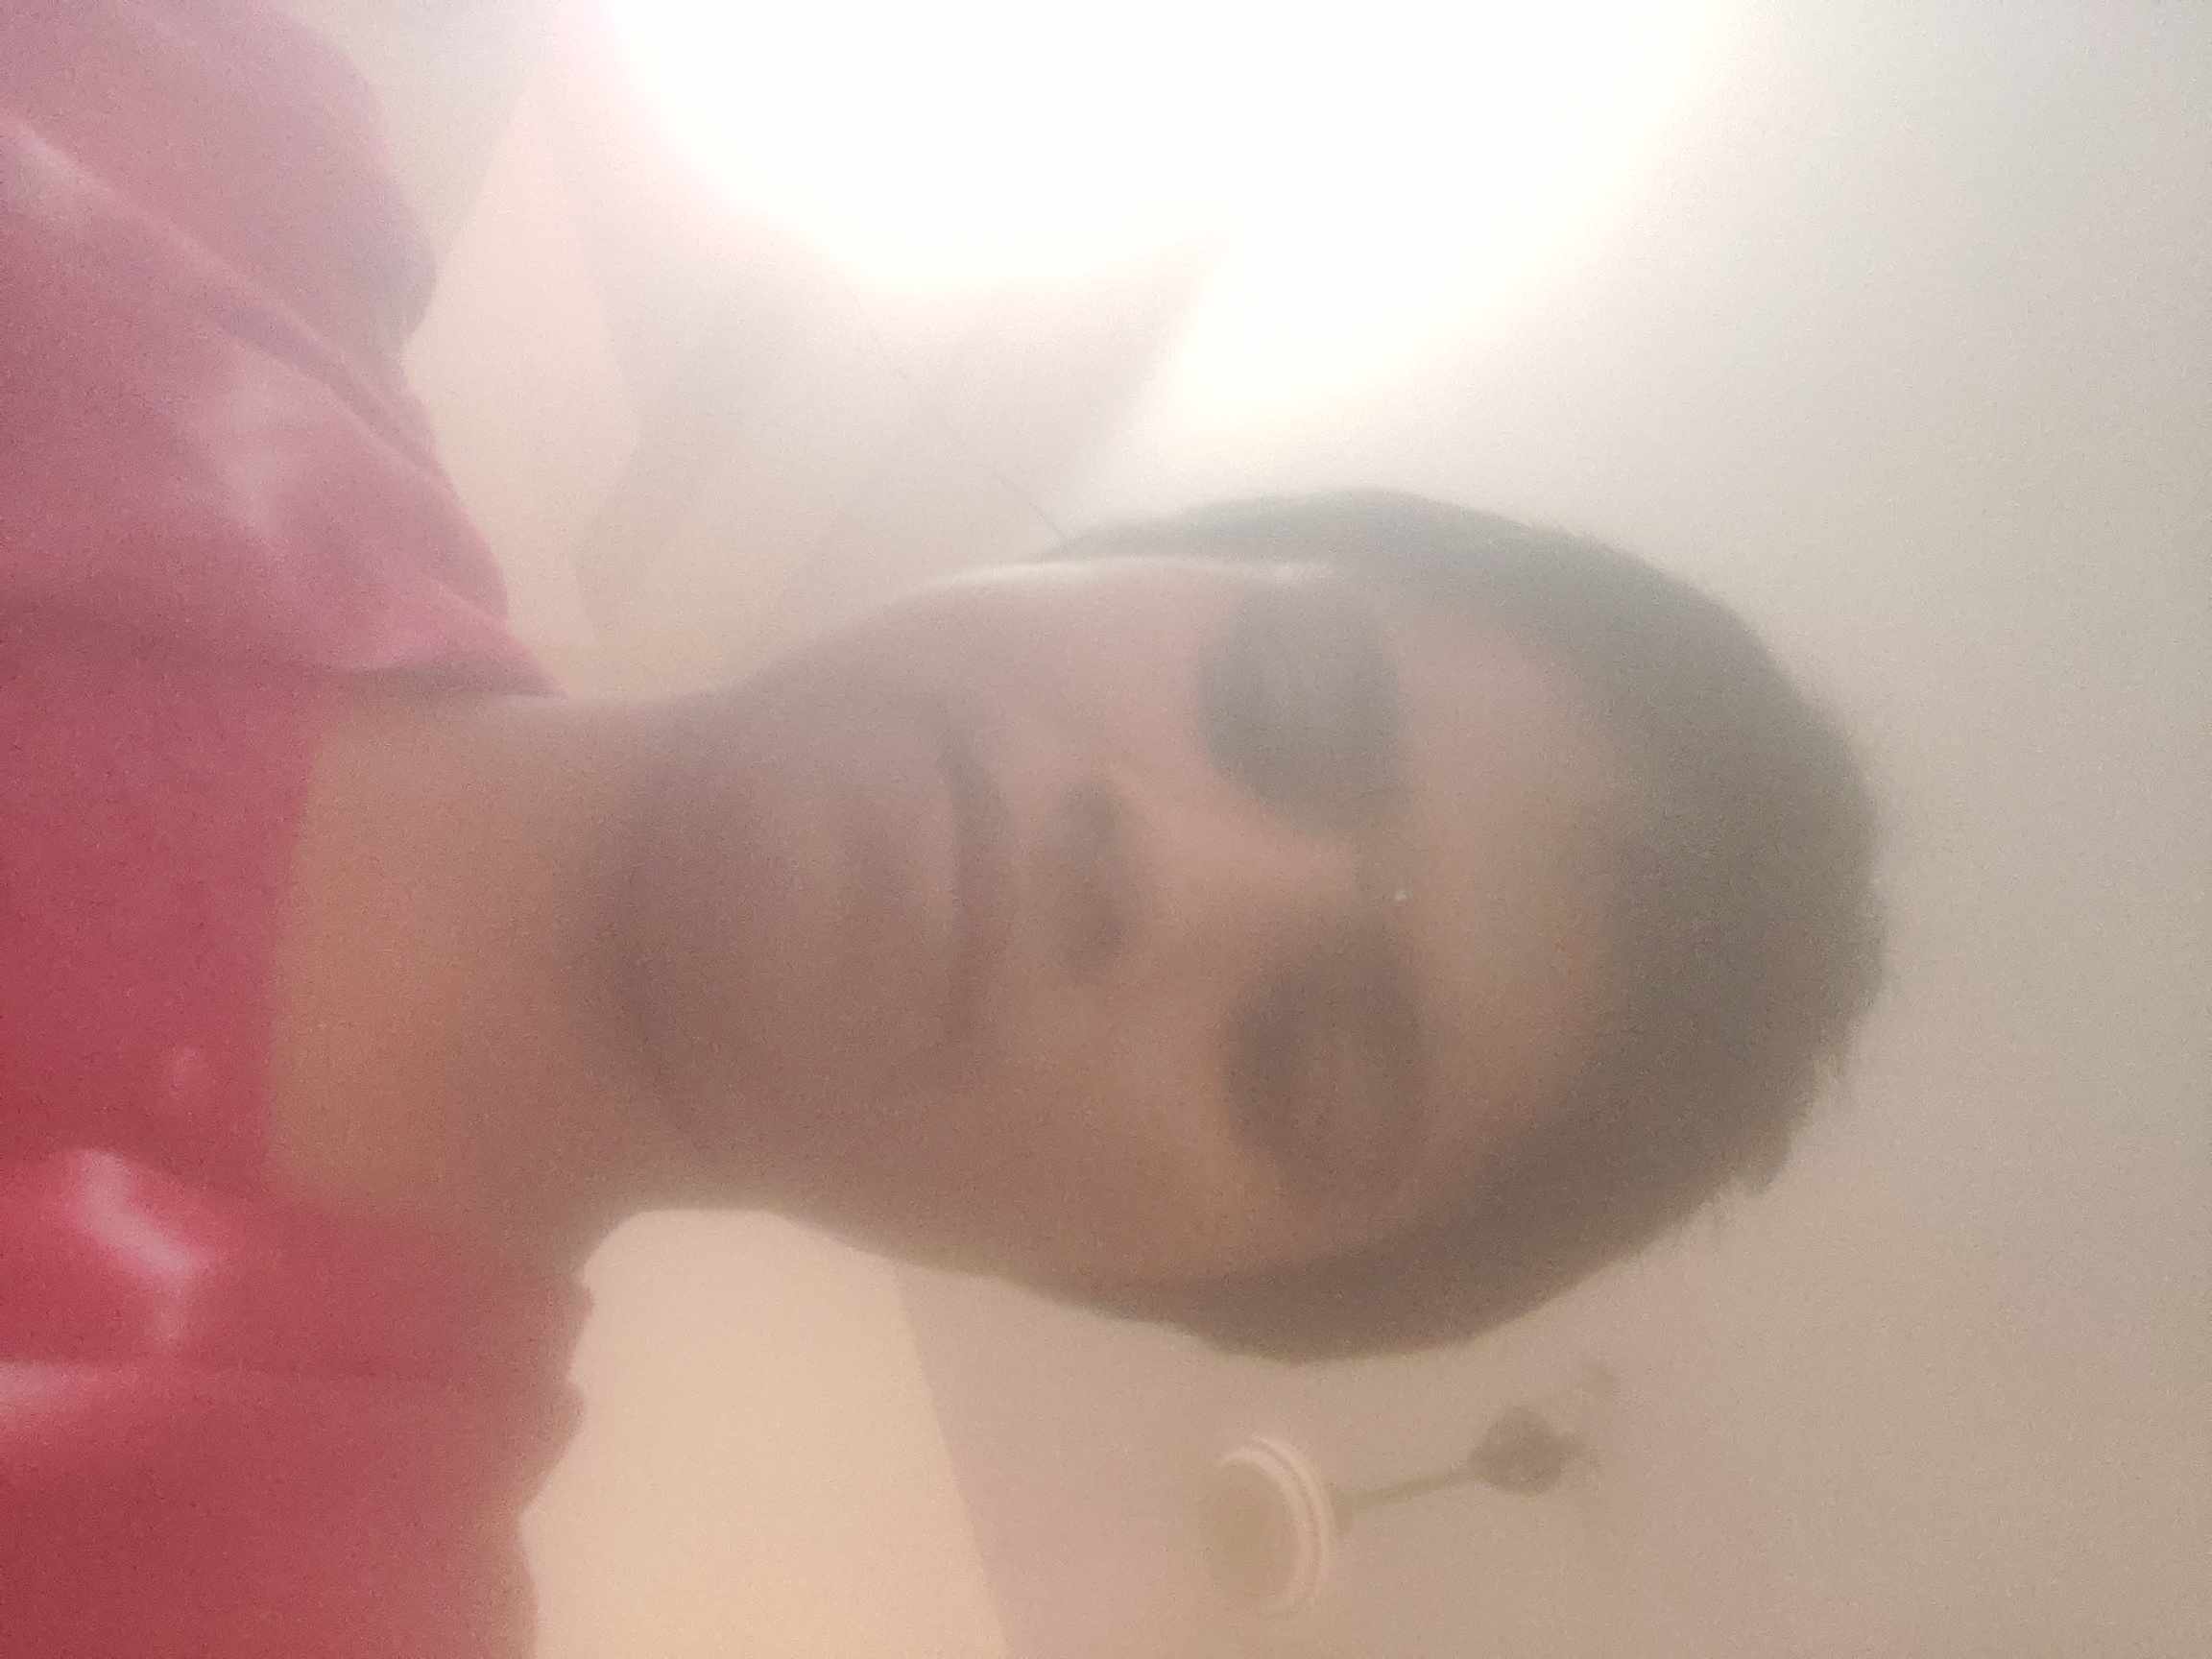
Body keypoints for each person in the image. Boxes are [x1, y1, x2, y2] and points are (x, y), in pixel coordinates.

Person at [0, 2, 1881, 1654]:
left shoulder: (251, 1601)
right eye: (1284, 703)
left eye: (1298, 1061)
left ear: (1149, 1290)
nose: (1168, 868)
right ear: (1126, 555)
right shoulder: (204, 140)